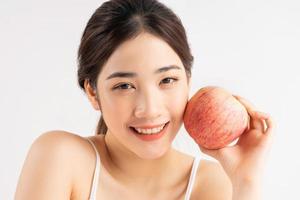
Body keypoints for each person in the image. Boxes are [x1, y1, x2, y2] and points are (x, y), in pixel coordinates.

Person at [15, 0, 275, 199]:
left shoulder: (212, 185)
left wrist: (246, 184)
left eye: (167, 81)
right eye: (124, 85)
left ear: (188, 80)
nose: (149, 109)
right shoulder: (61, 157)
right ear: (93, 92)